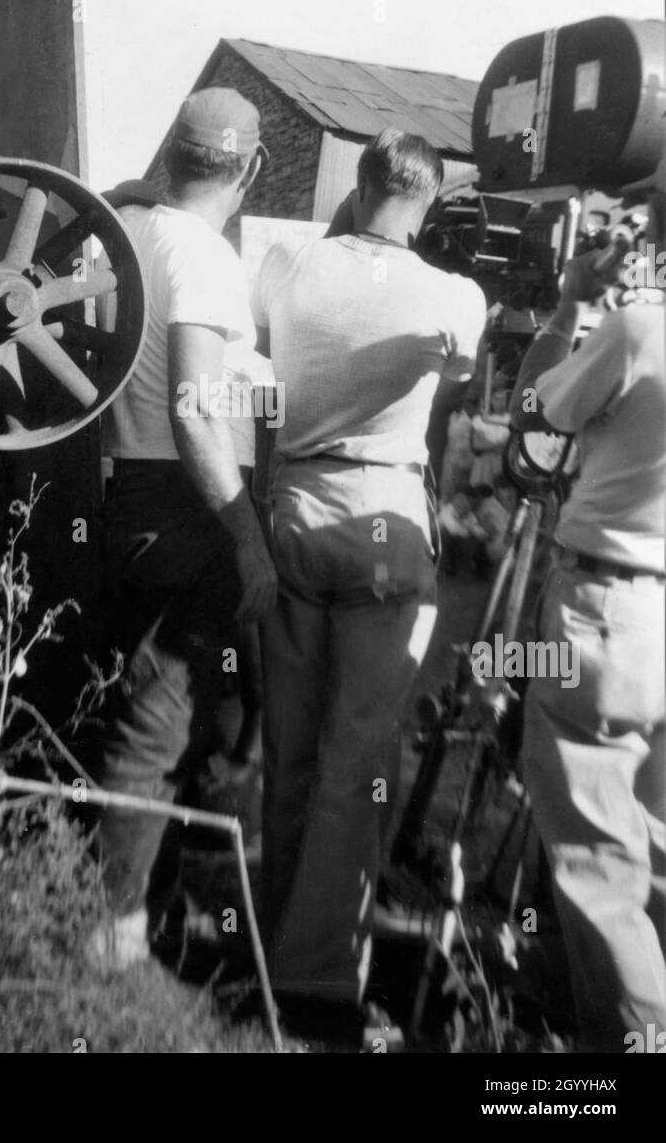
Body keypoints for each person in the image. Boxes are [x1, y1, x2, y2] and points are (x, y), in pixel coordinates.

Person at [251, 128, 487, 1033]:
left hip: (294, 506)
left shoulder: (284, 263)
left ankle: (273, 929)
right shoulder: (453, 295)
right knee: (360, 761)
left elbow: (269, 350)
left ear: (358, 186)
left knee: (292, 748)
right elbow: (457, 384)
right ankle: (312, 979)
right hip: (384, 517)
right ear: (427, 203)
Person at [88, 87, 277, 969]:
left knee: (184, 710)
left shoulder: (126, 231)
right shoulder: (203, 255)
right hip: (187, 506)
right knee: (156, 725)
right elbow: (198, 411)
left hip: (124, 491)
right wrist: (244, 533)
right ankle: (111, 937)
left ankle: (167, 898)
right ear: (250, 167)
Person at [510, 204, 666, 1053]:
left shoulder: (640, 330)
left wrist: (572, 304)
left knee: (601, 869)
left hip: (610, 611)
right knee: (660, 848)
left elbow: (540, 423)